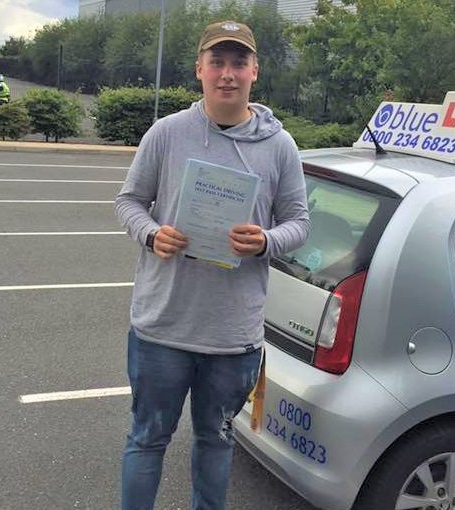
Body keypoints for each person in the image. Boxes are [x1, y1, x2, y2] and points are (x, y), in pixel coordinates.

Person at [115, 19, 310, 510]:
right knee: (147, 440)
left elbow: (300, 223)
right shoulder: (167, 134)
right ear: (199, 69)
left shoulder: (279, 146)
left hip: (232, 337)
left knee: (216, 442)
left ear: (255, 72)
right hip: (162, 328)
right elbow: (129, 202)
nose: (228, 73)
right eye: (217, 62)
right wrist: (151, 233)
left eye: (238, 62)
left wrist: (265, 240)